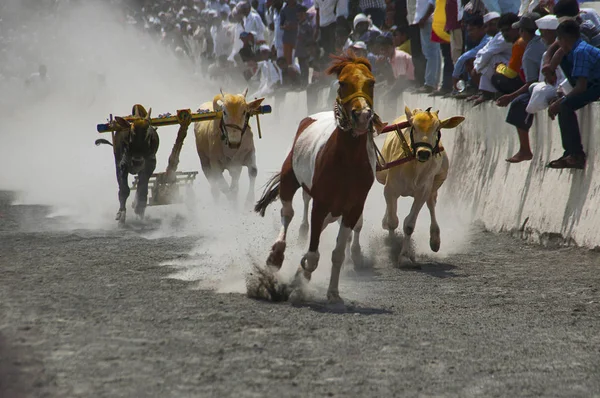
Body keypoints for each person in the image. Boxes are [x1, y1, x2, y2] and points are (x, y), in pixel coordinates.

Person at [547, 20, 600, 169]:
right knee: (565, 104)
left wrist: (560, 101)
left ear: (563, 39)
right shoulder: (574, 51)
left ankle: (576, 154)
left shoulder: (580, 51)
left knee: (566, 105)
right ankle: (569, 153)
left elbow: (581, 87)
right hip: (594, 83)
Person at [496, 13, 547, 163]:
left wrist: (510, 96)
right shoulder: (542, 41)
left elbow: (528, 81)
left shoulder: (527, 50)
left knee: (518, 104)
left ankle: (525, 150)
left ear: (523, 32)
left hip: (541, 86)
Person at [470, 12, 516, 104]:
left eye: (493, 24)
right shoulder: (496, 37)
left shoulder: (503, 38)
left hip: (514, 73)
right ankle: (486, 92)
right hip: (507, 70)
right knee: (486, 60)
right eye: (487, 25)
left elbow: (487, 53)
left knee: (492, 59)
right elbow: (481, 52)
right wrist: (476, 67)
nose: (490, 28)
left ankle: (488, 93)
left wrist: (477, 68)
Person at [450, 14, 491, 97]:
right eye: (468, 31)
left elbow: (463, 58)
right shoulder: (482, 39)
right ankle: (473, 87)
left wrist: (455, 77)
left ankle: (479, 90)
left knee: (470, 60)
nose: (469, 34)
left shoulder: (488, 40)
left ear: (482, 28)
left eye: (472, 30)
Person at [413, 0, 440, 94]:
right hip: (427, 20)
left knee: (431, 53)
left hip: (428, 21)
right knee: (433, 52)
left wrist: (424, 18)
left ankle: (430, 84)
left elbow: (432, 3)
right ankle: (433, 82)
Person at [295, 5, 315, 87]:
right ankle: (303, 84)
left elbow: (311, 38)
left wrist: (304, 39)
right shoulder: (298, 25)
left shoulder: (307, 25)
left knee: (305, 68)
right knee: (301, 67)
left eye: (301, 15)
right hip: (299, 50)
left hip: (305, 51)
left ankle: (305, 84)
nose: (299, 17)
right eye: (298, 15)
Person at [280, 0, 299, 66]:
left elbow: (304, 21)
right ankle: (288, 74)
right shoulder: (284, 10)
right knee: (287, 61)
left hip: (298, 38)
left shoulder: (299, 8)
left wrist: (294, 26)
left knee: (299, 59)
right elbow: (281, 25)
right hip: (287, 38)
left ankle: (300, 74)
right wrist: (285, 27)